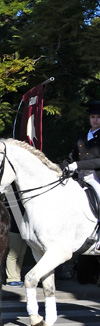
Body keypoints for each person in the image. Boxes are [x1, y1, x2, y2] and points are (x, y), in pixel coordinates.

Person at [62, 101, 100, 283]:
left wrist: (77, 165)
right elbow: (70, 157)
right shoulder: (82, 137)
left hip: (97, 178)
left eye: (98, 117)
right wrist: (57, 167)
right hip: (79, 178)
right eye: (93, 117)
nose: (95, 120)